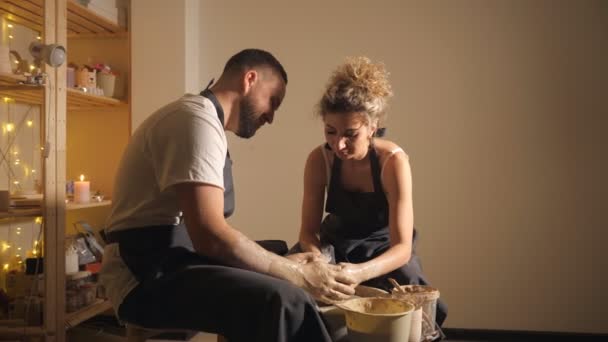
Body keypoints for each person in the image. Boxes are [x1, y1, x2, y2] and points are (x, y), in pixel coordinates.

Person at [99, 49, 357, 342]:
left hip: (174, 256)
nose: (271, 116)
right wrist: (295, 275)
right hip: (143, 272)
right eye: (273, 101)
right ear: (249, 79)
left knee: (282, 252)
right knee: (285, 298)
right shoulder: (195, 120)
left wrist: (287, 263)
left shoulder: (206, 121)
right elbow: (210, 236)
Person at [290, 56, 448, 329]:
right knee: (287, 281)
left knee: (409, 302)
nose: (338, 144)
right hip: (334, 245)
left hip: (384, 251)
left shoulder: (393, 162)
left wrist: (360, 272)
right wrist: (319, 262)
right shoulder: (319, 160)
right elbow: (307, 232)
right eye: (330, 131)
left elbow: (402, 247)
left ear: (372, 127)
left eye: (350, 134)